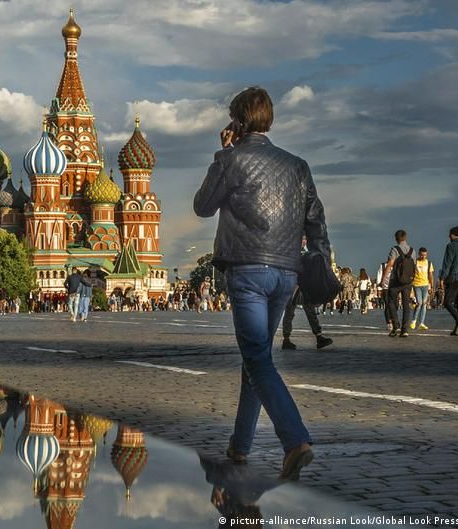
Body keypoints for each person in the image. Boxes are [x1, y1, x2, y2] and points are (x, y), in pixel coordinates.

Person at [194, 86, 326, 480]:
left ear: (237, 121)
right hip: (287, 272)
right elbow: (316, 219)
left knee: (257, 359)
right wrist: (319, 258)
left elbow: (202, 206)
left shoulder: (231, 159)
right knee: (257, 358)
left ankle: (295, 441)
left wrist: (222, 154)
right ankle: (240, 445)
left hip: (248, 271)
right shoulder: (297, 165)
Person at [382, 230, 414, 337]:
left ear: (396, 238)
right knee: (406, 305)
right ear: (405, 237)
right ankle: (405, 330)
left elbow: (390, 264)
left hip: (395, 281)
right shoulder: (412, 251)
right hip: (408, 282)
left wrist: (383, 278)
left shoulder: (395, 249)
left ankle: (396, 327)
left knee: (391, 302)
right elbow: (414, 267)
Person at [439, 226, 458, 336]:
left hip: (454, 278)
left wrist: (442, 277)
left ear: (453, 234)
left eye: (450, 234)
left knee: (447, 302)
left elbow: (447, 263)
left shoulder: (451, 246)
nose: (449, 236)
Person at [409, 247, 434, 331]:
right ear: (419, 254)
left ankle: (422, 323)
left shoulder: (429, 263)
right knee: (419, 303)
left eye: (425, 255)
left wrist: (431, 286)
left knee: (424, 304)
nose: (424, 257)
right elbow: (411, 273)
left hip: (425, 285)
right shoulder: (415, 262)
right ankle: (414, 321)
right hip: (416, 284)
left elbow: (430, 275)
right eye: (422, 255)